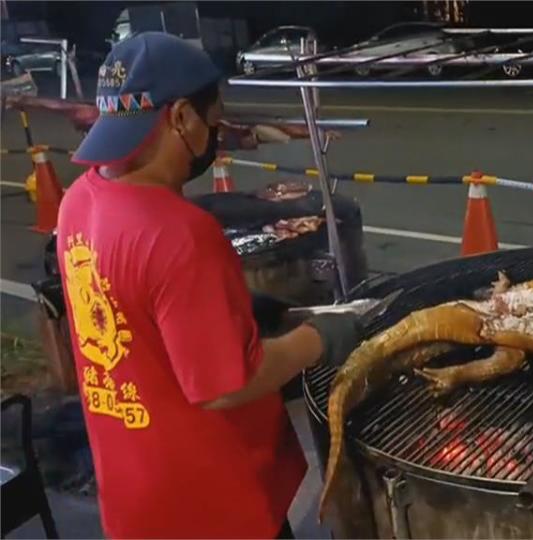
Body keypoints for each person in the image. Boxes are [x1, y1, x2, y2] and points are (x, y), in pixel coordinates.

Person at [57, 33, 359, 538]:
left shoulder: (78, 200)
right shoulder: (178, 232)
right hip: (213, 505)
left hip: (134, 494)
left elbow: (136, 315)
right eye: (213, 122)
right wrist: (321, 337)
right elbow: (225, 386)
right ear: (179, 118)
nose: (216, 136)